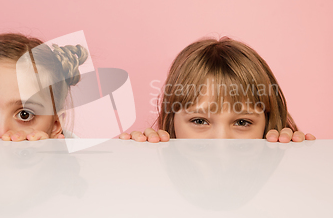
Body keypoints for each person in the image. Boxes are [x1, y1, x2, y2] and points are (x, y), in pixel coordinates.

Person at [120, 37, 316, 143]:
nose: (221, 142)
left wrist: (290, 162)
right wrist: (142, 164)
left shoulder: (283, 169)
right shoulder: (153, 175)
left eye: (242, 122)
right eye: (199, 120)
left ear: (266, 124)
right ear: (172, 122)